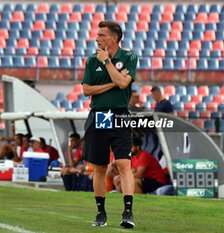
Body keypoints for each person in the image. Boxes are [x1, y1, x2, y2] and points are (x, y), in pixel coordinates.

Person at [81, 20, 138, 228]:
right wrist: (114, 82)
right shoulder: (91, 60)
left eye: (102, 35)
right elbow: (86, 90)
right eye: (97, 36)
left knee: (124, 163)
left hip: (120, 114)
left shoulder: (130, 57)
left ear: (114, 38)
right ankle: (101, 212)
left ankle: (128, 213)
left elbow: (125, 84)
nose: (97, 39)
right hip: (100, 114)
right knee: (100, 166)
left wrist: (107, 63)